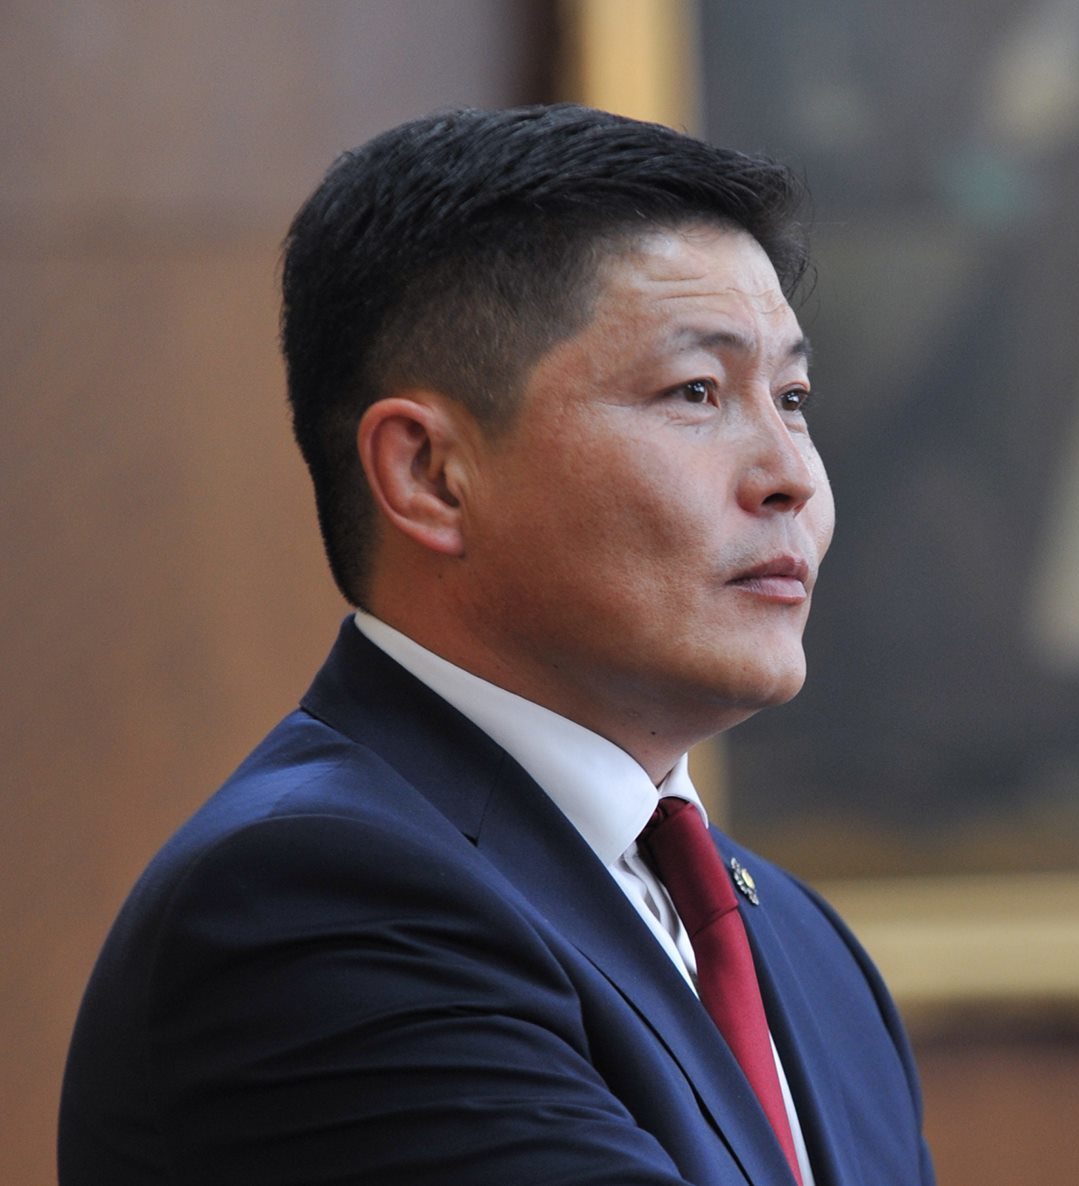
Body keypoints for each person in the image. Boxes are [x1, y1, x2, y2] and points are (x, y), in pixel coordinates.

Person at [59, 104, 935, 1186]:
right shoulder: (312, 902)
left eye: (792, 398)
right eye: (696, 393)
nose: (793, 475)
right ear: (430, 474)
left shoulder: (808, 951)